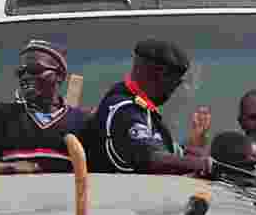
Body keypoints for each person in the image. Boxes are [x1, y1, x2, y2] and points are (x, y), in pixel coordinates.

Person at [85, 39, 213, 175]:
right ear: (157, 74)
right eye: (175, 82)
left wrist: (195, 146)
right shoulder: (123, 109)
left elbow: (171, 154)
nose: (173, 90)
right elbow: (152, 159)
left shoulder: (145, 112)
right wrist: (202, 165)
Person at [0, 39, 86, 173]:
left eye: (35, 69)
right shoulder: (3, 116)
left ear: (60, 76)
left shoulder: (81, 122)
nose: (25, 76)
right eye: (21, 72)